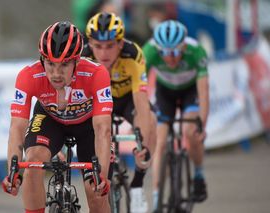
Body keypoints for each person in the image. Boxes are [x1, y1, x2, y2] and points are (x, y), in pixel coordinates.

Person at [1, 21, 113, 213]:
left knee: (94, 189)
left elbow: (103, 129)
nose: (56, 73)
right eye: (50, 64)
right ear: (42, 59)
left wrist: (101, 174)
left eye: (64, 65)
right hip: (50, 120)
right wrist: (13, 172)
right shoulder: (29, 76)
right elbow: (17, 127)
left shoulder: (96, 74)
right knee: (33, 163)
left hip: (88, 125)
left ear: (77, 61)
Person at [83, 12, 157, 213]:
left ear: (121, 43)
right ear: (90, 43)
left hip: (126, 100)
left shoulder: (134, 54)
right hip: (98, 101)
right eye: (98, 46)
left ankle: (138, 185)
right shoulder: (83, 58)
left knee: (150, 119)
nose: (104, 53)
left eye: (110, 46)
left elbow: (141, 101)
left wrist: (142, 141)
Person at [142, 20, 209, 209]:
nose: (170, 58)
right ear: (158, 49)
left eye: (175, 52)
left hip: (190, 91)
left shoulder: (196, 51)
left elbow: (203, 91)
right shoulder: (149, 51)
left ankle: (198, 174)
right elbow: (141, 89)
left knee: (190, 131)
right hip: (165, 93)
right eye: (164, 53)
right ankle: (156, 198)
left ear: (184, 46)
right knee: (160, 142)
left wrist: (202, 124)